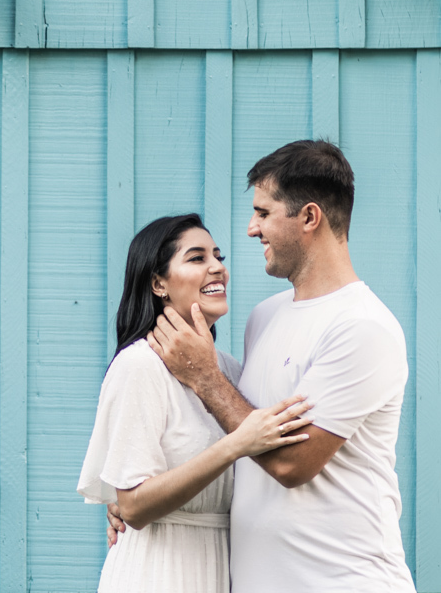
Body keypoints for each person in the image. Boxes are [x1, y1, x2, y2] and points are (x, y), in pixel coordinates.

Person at [108, 140, 416, 592]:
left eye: (263, 212)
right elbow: (231, 445)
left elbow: (290, 463)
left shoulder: (362, 326)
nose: (252, 229)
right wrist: (137, 501)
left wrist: (206, 378)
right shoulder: (264, 318)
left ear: (309, 217)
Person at [77, 213, 311, 593]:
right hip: (157, 573)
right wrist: (235, 444)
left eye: (218, 256)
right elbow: (133, 506)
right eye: (197, 258)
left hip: (224, 567)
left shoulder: (231, 372)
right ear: (158, 283)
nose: (218, 267)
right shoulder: (140, 366)